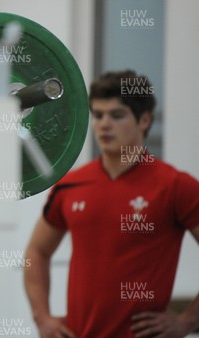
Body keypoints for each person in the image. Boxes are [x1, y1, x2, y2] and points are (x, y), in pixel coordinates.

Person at [24, 70, 199, 337]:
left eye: (117, 115)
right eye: (99, 115)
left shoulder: (176, 186)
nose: (104, 124)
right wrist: (43, 318)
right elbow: (36, 252)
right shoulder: (70, 185)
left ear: (144, 120)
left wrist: (188, 321)